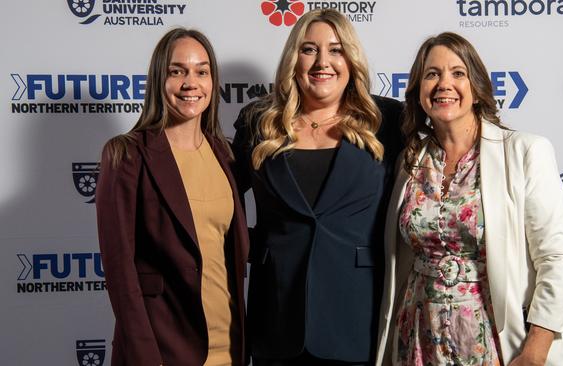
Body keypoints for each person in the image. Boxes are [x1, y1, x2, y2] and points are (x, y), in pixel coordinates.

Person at [375, 32, 563, 366]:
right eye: (432, 74)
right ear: (418, 90)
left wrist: (535, 351)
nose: (444, 84)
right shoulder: (409, 161)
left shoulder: (524, 152)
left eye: (458, 73)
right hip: (417, 340)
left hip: (498, 345)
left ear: (477, 87)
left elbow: (558, 260)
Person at [232, 9, 403, 366]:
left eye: (336, 50)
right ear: (293, 59)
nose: (322, 62)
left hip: (358, 320)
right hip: (276, 319)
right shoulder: (257, 122)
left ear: (351, 59)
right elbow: (218, 200)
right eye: (309, 49)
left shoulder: (388, 122)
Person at [95, 28, 249, 366]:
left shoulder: (225, 154)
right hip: (164, 351)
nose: (190, 82)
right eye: (176, 71)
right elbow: (121, 274)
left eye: (201, 71)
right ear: (158, 80)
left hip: (229, 346)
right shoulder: (127, 155)